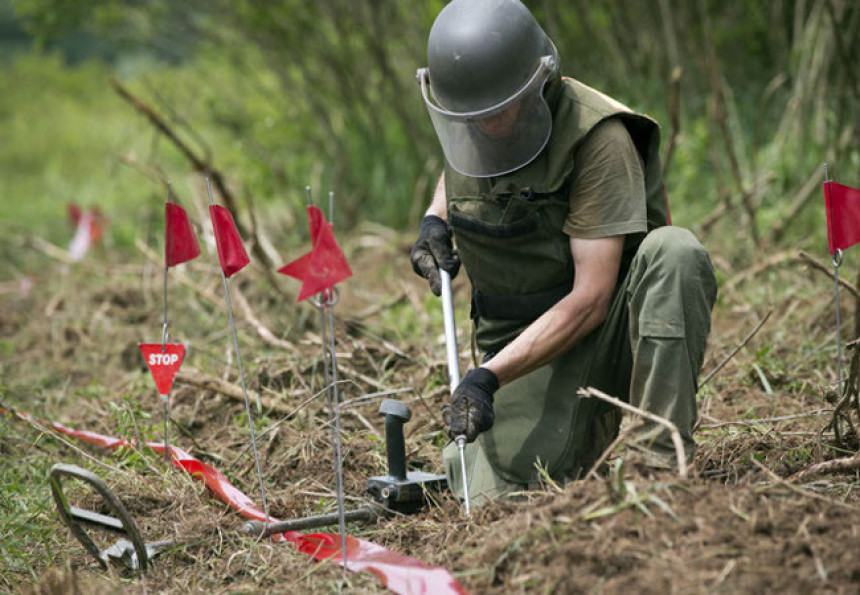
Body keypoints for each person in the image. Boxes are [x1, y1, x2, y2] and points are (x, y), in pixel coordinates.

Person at [410, 0, 717, 503]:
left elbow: (593, 298)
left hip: (604, 331)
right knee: (505, 489)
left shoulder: (599, 140)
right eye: (471, 118)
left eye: (499, 112)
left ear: (538, 82)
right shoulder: (475, 115)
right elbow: (459, 168)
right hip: (519, 343)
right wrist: (434, 220)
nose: (485, 127)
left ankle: (657, 463)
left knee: (675, 252)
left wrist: (486, 379)